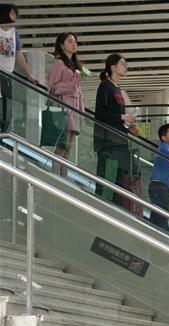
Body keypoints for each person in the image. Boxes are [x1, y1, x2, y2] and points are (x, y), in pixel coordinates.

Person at [93, 53, 136, 206]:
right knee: (106, 177)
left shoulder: (118, 88)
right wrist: (122, 117)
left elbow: (117, 118)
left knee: (119, 179)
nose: (126, 67)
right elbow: (100, 113)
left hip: (120, 140)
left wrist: (129, 127)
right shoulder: (105, 86)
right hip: (108, 141)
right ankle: (100, 206)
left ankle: (115, 208)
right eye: (122, 63)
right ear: (112, 67)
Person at [46, 32, 84, 164]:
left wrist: (81, 111)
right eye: (70, 41)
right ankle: (56, 175)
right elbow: (53, 88)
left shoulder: (74, 65)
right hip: (64, 109)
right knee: (62, 147)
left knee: (68, 149)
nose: (74, 44)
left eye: (75, 42)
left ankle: (63, 176)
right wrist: (72, 83)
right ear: (62, 45)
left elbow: (77, 89)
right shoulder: (59, 63)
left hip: (74, 109)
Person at [0, 4, 37, 132]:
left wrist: (28, 75)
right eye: (12, 14)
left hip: (7, 74)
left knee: (7, 106)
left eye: (16, 14)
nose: (15, 17)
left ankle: (3, 131)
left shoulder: (14, 33)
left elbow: (18, 54)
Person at [147, 123, 169, 232]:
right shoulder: (163, 147)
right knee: (162, 214)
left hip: (164, 187)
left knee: (157, 214)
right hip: (158, 185)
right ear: (164, 138)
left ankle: (152, 235)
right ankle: (165, 236)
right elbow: (164, 148)